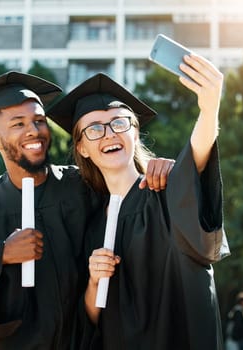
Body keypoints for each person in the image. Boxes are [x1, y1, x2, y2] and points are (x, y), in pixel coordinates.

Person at [0, 71, 173, 349]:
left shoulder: (82, 185)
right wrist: (1, 254)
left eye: (39, 121)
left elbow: (129, 188)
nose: (33, 130)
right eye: (18, 124)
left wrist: (161, 171)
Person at [47, 50, 229, 349]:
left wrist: (209, 111)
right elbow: (89, 320)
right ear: (81, 148)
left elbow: (195, 159)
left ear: (135, 131)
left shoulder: (166, 194)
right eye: (94, 129)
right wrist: (94, 281)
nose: (109, 134)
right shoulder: (90, 224)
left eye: (120, 123)